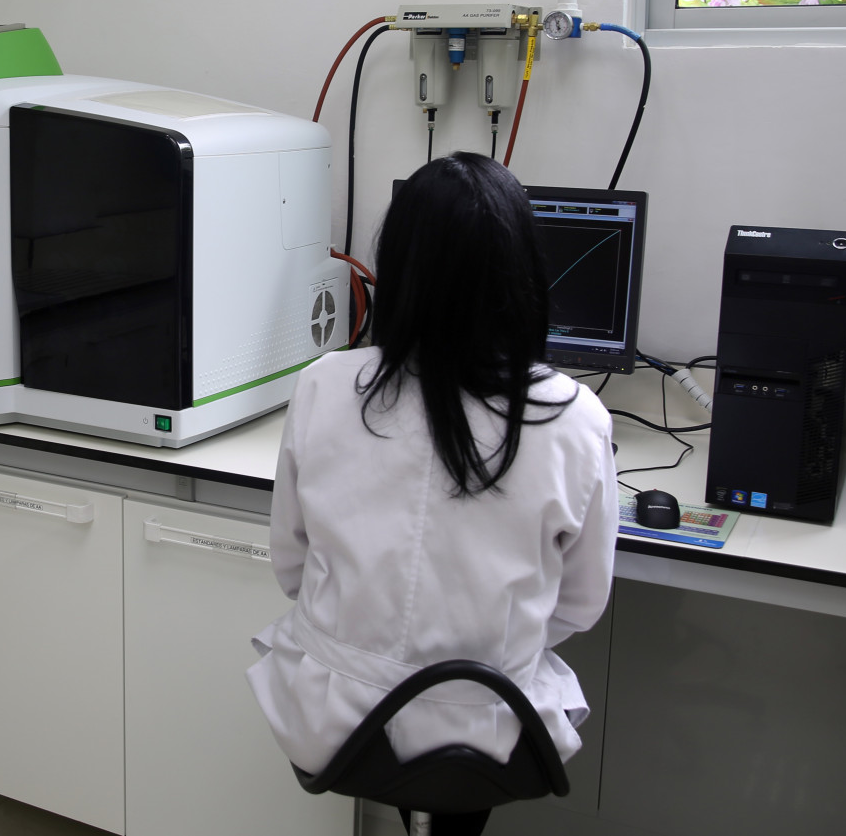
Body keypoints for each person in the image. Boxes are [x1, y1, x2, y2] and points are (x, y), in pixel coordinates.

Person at [246, 152, 618, 836]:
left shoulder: (326, 386)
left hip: (339, 720)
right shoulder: (575, 419)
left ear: (401, 271)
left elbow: (291, 566)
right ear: (522, 276)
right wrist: (489, 634)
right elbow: (580, 604)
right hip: (492, 729)